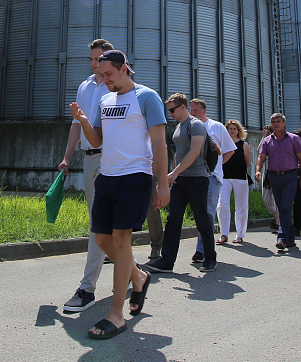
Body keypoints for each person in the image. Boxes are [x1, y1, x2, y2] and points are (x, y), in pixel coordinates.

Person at [70, 50, 170, 339]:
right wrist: (85, 121)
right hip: (108, 175)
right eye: (101, 76)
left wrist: (162, 184)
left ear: (124, 68)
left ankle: (116, 314)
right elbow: (98, 140)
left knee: (120, 239)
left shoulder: (146, 97)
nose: (104, 80)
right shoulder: (105, 99)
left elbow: (160, 144)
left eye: (108, 74)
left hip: (135, 176)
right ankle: (138, 276)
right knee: (101, 238)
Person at [59, 39, 112, 313]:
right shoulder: (85, 86)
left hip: (111, 159)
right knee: (100, 221)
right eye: (91, 59)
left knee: (98, 224)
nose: (94, 63)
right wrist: (68, 155)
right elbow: (76, 126)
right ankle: (132, 269)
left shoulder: (116, 86)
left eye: (99, 58)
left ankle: (87, 288)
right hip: (89, 159)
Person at [146, 94, 218, 273]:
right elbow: (178, 153)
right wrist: (171, 174)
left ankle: (210, 258)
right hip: (181, 180)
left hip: (197, 179)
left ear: (183, 107)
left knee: (202, 220)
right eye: (168, 110)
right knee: (173, 220)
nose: (170, 113)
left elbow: (194, 152)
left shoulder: (196, 125)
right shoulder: (178, 128)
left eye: (172, 109)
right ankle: (167, 261)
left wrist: (174, 172)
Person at [254, 113, 301, 250]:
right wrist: (258, 170)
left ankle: (282, 237)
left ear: (284, 123)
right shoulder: (267, 141)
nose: (276, 124)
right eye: (273, 122)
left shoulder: (294, 139)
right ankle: (290, 239)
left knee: (285, 207)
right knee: (280, 207)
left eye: (278, 121)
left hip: (290, 176)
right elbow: (261, 157)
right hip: (274, 177)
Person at [190, 99, 236, 255]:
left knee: (208, 213)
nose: (193, 113)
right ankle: (204, 249)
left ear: (204, 111)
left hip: (211, 177)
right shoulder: (188, 127)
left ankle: (202, 250)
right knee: (198, 213)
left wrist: (217, 164)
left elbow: (229, 150)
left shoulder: (216, 127)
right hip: (193, 176)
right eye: (191, 110)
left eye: (196, 110)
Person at [220, 120, 252, 244]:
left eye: (234, 129)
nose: (232, 131)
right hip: (224, 177)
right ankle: (224, 234)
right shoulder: (223, 144)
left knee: (241, 206)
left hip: (240, 177)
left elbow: (247, 162)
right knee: (222, 204)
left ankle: (240, 234)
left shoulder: (244, 145)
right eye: (230, 128)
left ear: (238, 131)